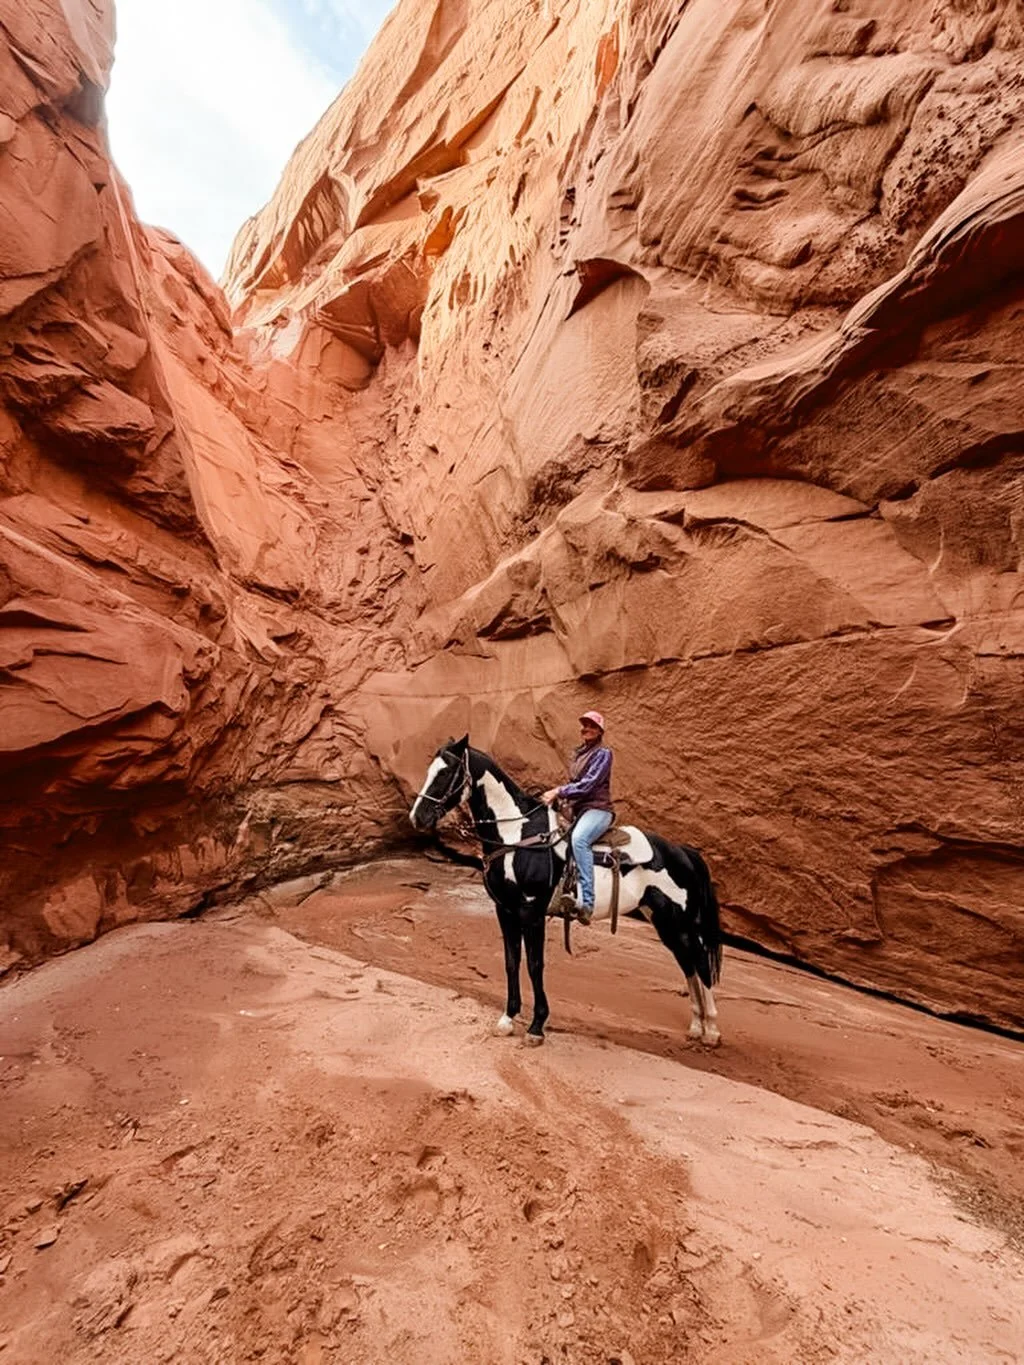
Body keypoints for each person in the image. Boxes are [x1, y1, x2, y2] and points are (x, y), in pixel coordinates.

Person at [541, 710, 614, 924]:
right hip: (579, 810)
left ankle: (587, 903)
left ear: (600, 730)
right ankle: (562, 895)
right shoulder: (580, 753)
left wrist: (558, 792)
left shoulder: (603, 753)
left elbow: (588, 784)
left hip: (598, 810)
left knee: (579, 840)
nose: (586, 729)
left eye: (591, 725)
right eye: (584, 725)